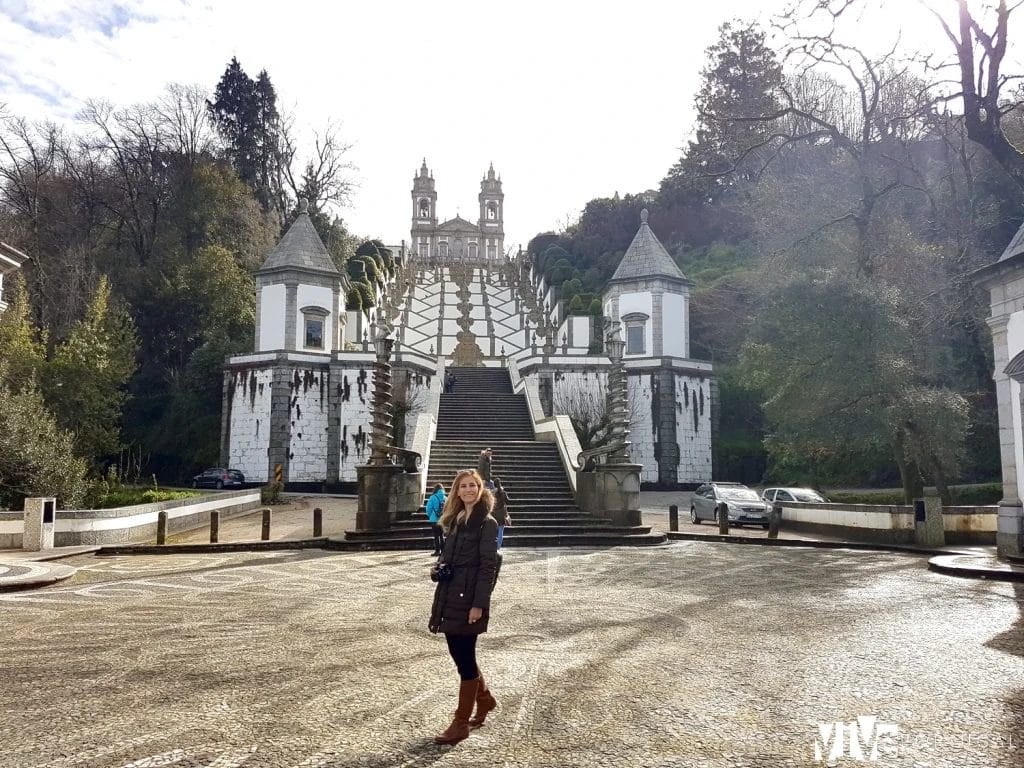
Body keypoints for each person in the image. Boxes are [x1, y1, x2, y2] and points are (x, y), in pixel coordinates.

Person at [428, 469, 500, 744]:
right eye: (464, 486)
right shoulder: (456, 519)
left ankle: (460, 723)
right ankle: (484, 699)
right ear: (457, 491)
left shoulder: (487, 523)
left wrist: (479, 605)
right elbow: (447, 554)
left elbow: (487, 567)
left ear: (481, 490)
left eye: (474, 486)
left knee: (465, 658)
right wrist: (438, 568)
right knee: (459, 654)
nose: (469, 490)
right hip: (449, 594)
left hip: (469, 598)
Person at [425, 483, 446, 555]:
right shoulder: (445, 498)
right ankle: (443, 551)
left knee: (436, 536)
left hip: (434, 519)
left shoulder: (432, 497)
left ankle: (437, 551)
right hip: (442, 519)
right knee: (442, 535)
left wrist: (430, 515)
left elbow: (428, 509)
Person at [491, 477, 512, 549]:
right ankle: (498, 546)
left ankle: (493, 545)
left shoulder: (492, 493)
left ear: (494, 485)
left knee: (493, 530)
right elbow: (508, 501)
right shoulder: (503, 492)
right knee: (500, 531)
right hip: (502, 513)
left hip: (493, 513)